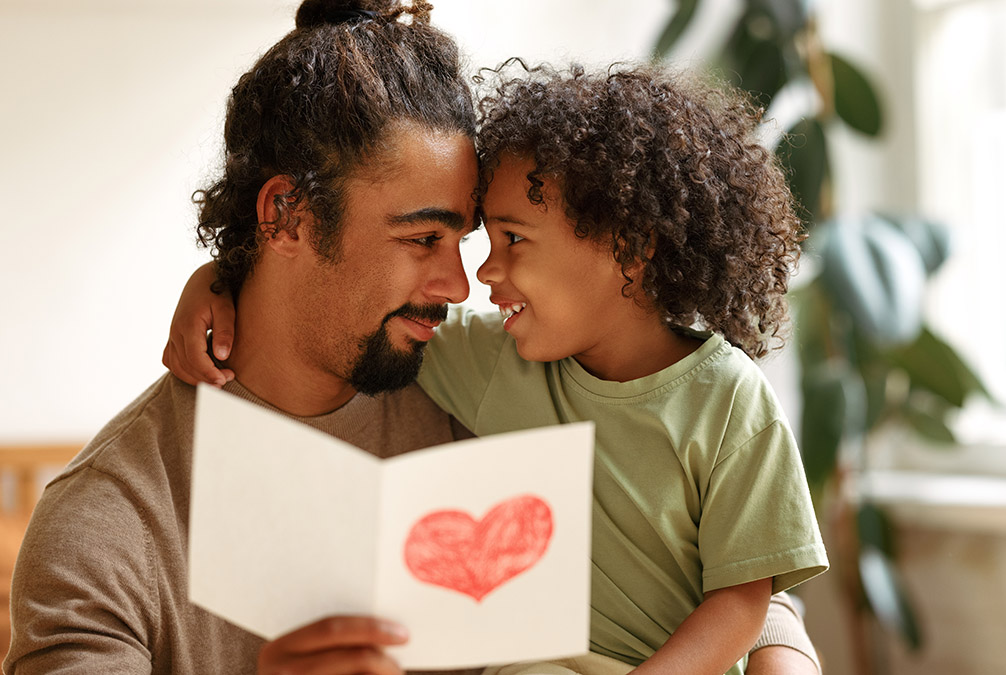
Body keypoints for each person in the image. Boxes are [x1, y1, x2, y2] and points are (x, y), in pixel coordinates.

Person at [8, 3, 821, 675]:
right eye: (421, 240)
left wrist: (782, 642)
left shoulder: (488, 389)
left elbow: (706, 556)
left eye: (469, 242)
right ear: (284, 216)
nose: (463, 285)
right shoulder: (109, 532)